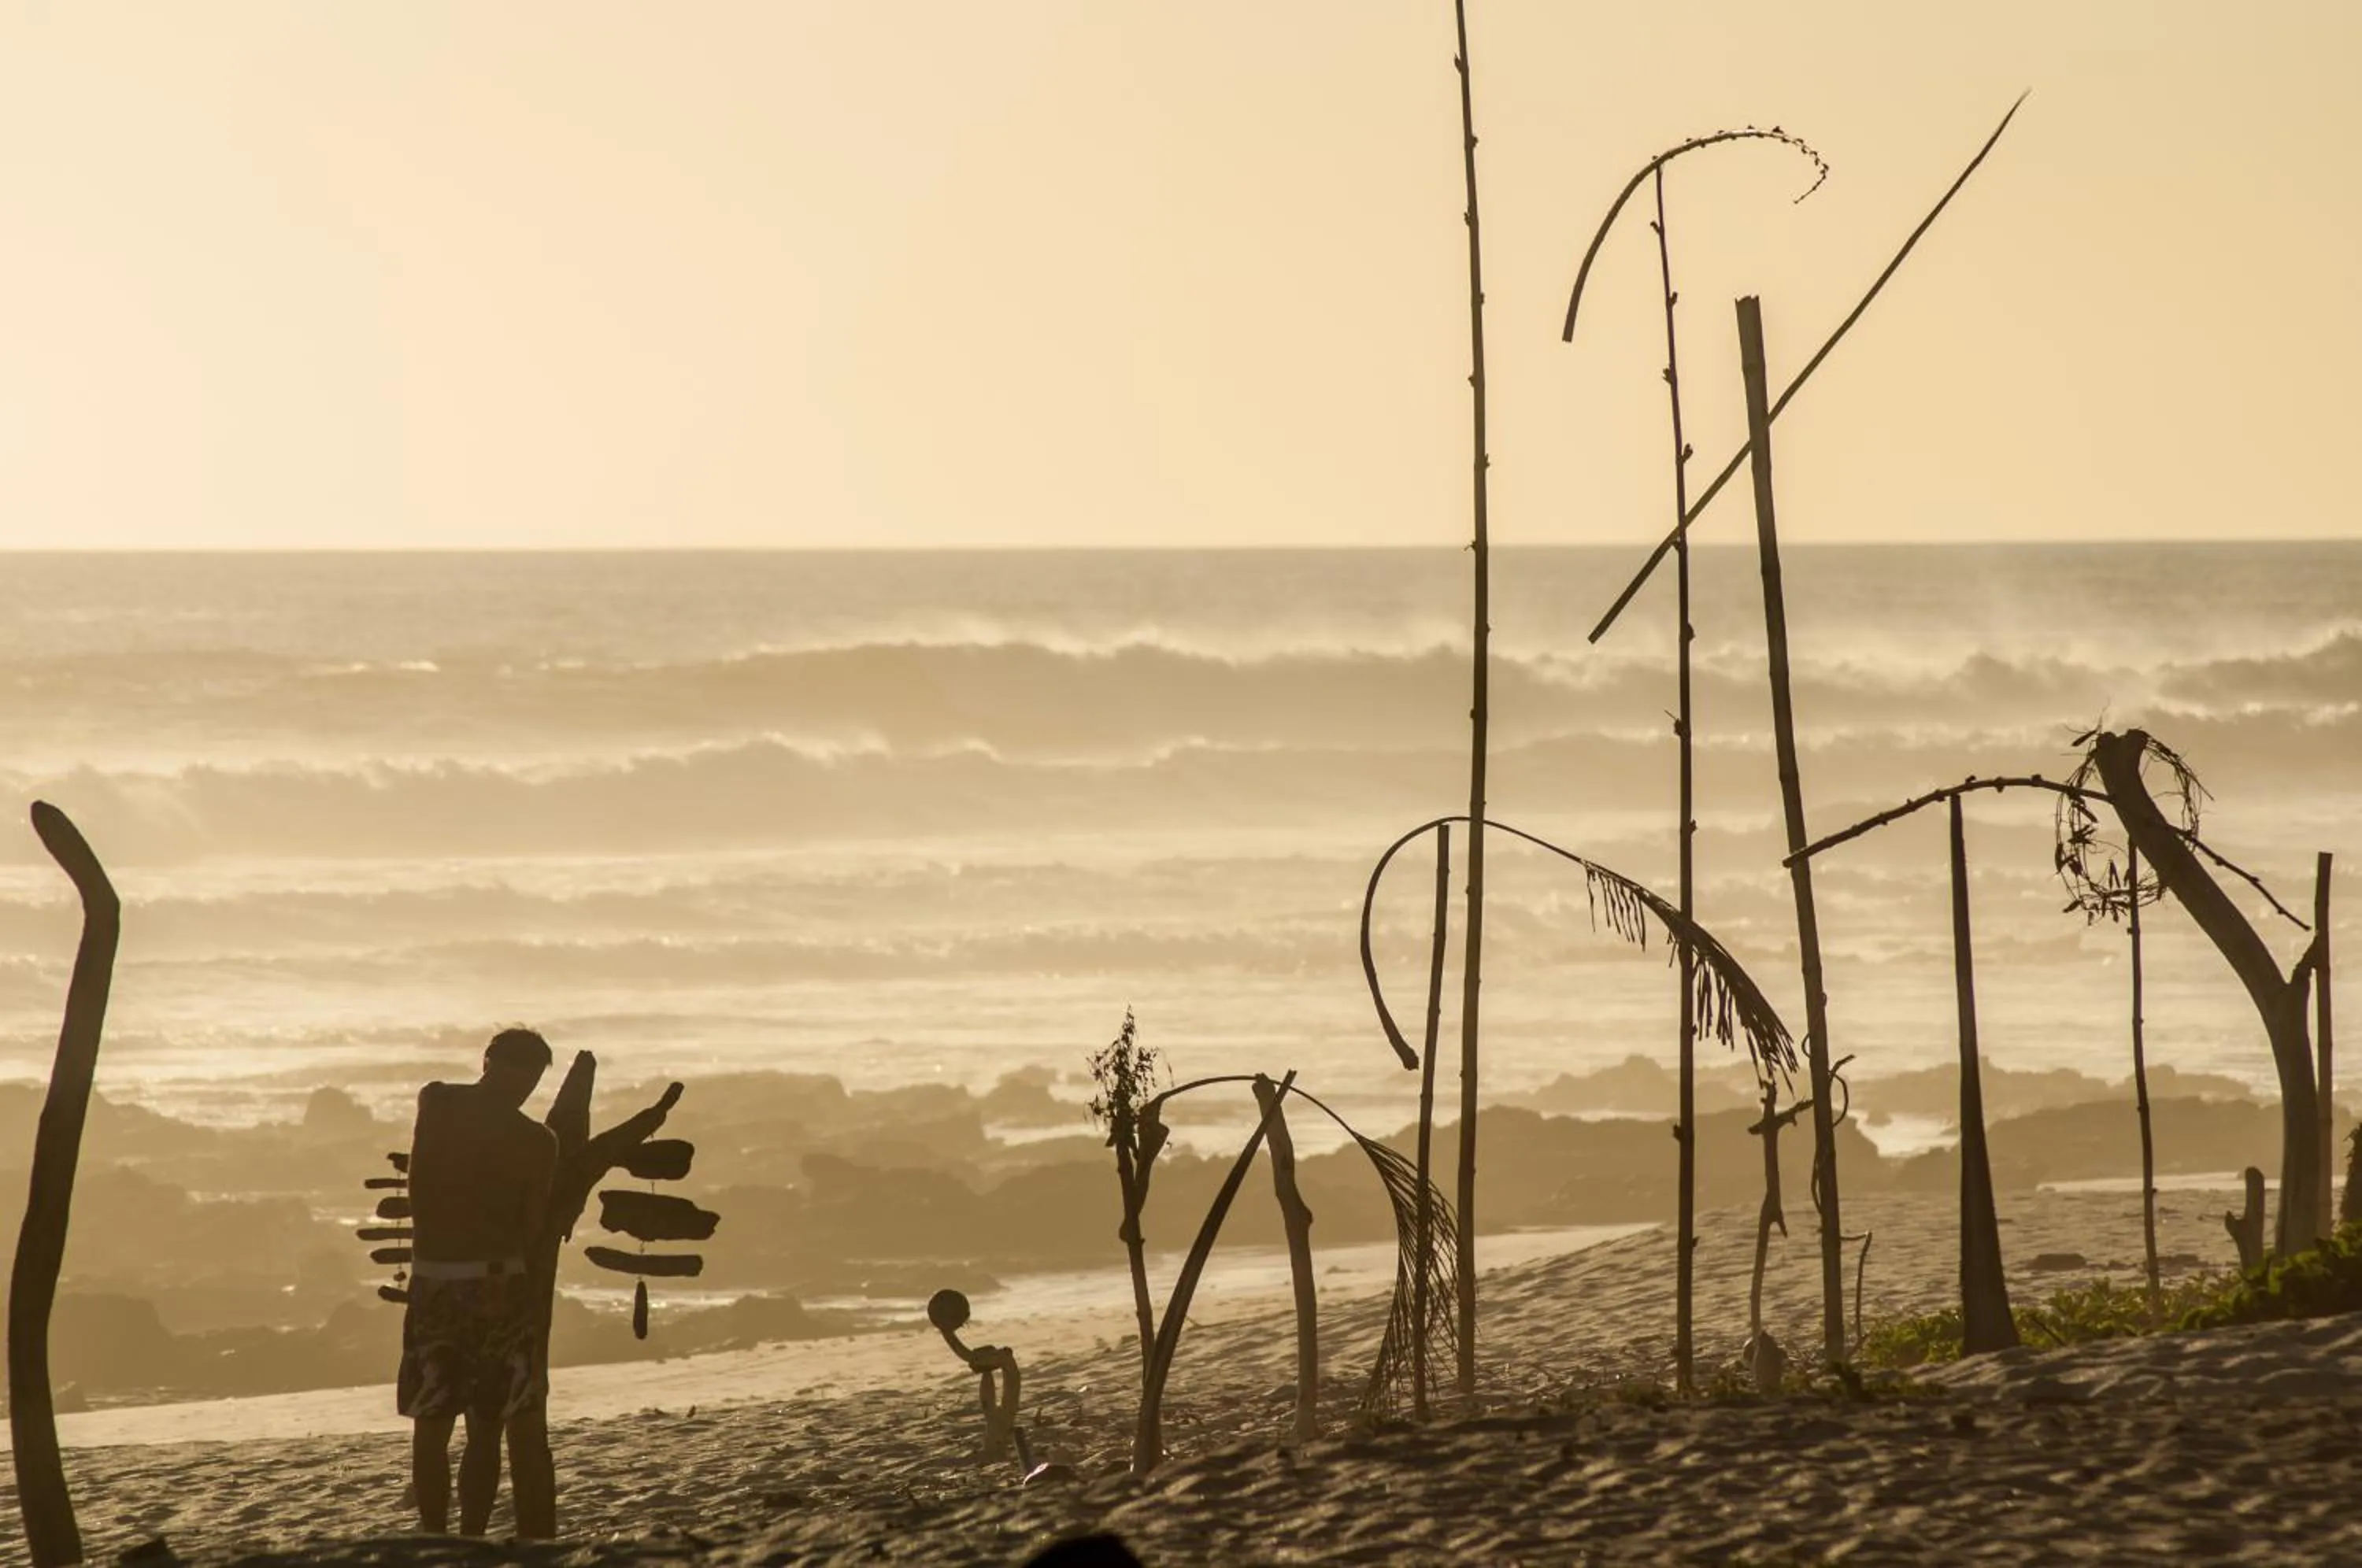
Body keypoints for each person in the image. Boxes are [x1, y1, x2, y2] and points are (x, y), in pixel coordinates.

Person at [398, 1026, 559, 1536]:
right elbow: (532, 1227)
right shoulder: (534, 1141)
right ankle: (462, 1536)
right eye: (521, 1074)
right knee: (475, 1425)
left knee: (442, 1423)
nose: (523, 1087)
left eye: (529, 1079)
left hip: (442, 1282)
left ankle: (444, 1537)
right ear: (490, 1062)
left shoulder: (438, 1103)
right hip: (492, 1287)